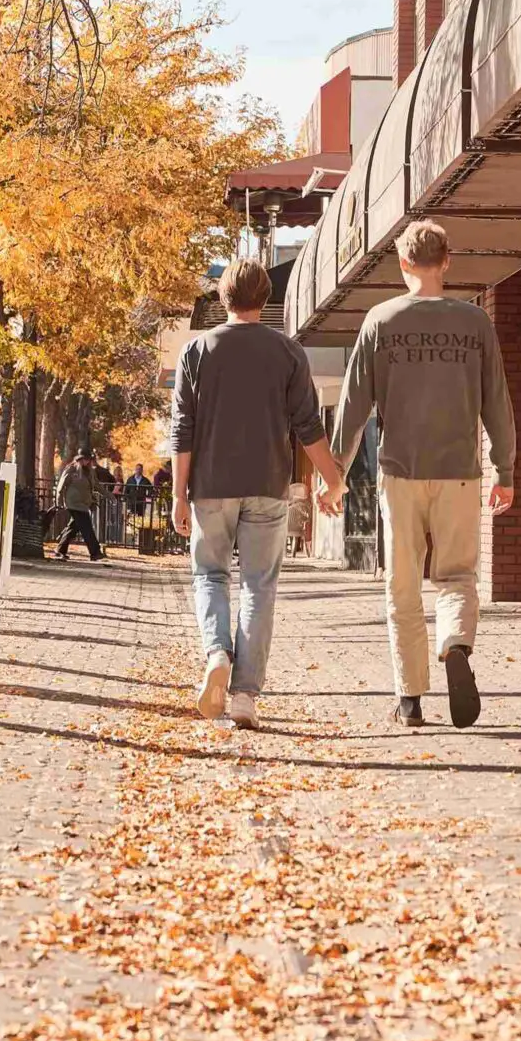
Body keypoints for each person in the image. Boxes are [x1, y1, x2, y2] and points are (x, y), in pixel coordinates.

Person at [330, 220, 516, 729]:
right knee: (457, 576)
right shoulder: (474, 322)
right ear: (447, 261)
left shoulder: (380, 320)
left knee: (403, 585)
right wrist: (506, 469)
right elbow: (496, 401)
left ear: (404, 264)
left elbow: (353, 406)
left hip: (401, 473)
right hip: (460, 471)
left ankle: (410, 697)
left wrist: (335, 474)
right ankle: (455, 643)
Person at [171, 257, 346, 728]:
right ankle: (246, 695)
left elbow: (182, 429)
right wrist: (332, 479)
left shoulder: (197, 352)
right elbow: (309, 427)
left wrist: (177, 494)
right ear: (264, 300)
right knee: (258, 586)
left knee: (210, 576)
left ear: (223, 299)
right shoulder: (288, 353)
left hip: (210, 487)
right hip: (268, 486)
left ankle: (216, 654)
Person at [52, 452, 104, 562]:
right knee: (87, 528)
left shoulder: (89, 472)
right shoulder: (71, 469)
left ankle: (60, 550)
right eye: (86, 459)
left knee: (73, 528)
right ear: (80, 459)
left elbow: (96, 486)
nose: (87, 462)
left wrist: (109, 496)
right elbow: (61, 485)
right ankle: (95, 553)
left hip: (83, 504)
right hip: (73, 504)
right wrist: (58, 501)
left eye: (89, 460)